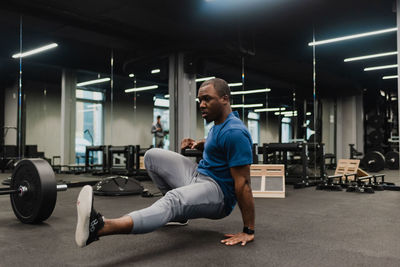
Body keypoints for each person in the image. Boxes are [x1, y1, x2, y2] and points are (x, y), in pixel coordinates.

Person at [75, 78, 255, 247]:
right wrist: (199, 143)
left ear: (225, 99)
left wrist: (248, 230)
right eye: (199, 100)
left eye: (207, 99)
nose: (201, 105)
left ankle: (100, 227)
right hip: (198, 175)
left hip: (218, 192)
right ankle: (178, 216)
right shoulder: (219, 124)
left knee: (173, 200)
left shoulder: (235, 132)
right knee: (151, 156)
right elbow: (219, 145)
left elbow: (243, 184)